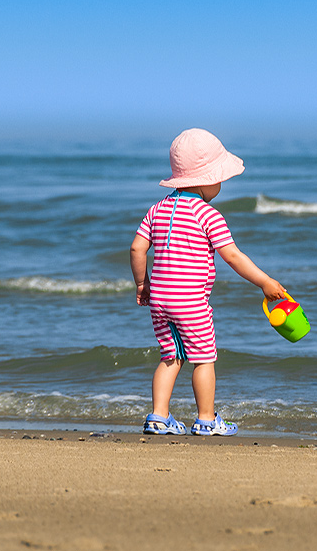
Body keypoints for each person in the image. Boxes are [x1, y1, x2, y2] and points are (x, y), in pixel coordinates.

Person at [130, 128, 286, 436]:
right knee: (203, 359)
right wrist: (265, 282)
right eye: (219, 178)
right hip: (190, 301)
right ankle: (206, 419)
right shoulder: (208, 215)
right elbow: (233, 257)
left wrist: (141, 284)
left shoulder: (157, 209)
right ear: (205, 178)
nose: (221, 184)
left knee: (170, 356)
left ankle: (158, 417)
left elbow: (137, 247)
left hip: (159, 299)